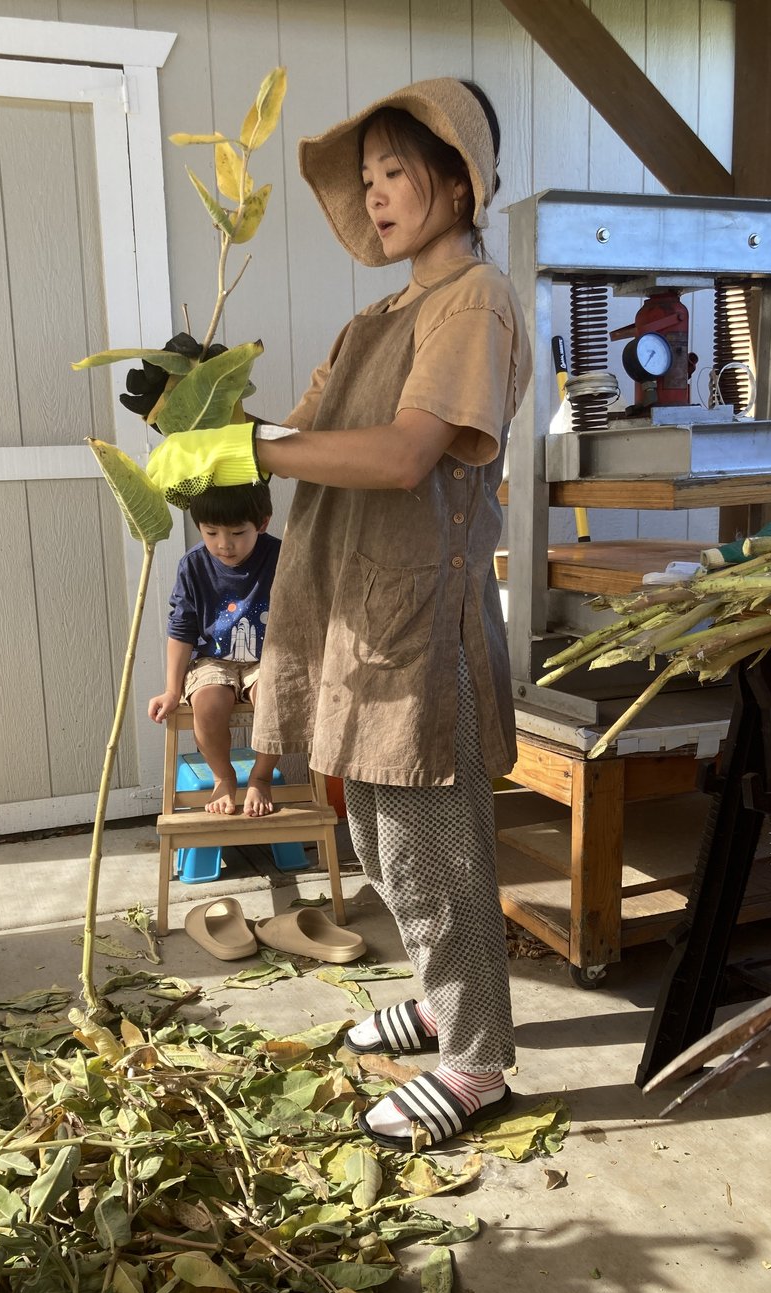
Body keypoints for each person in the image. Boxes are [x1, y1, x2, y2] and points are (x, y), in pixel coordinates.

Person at [147, 78, 531, 1151]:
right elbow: (304, 432)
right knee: (372, 831)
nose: (374, 196)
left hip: (418, 627)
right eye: (365, 181)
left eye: (395, 172)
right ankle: (441, 994)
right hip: (356, 618)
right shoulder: (381, 313)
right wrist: (203, 411)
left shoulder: (474, 301)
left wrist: (253, 446)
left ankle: (476, 1061)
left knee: (432, 849)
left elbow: (408, 453)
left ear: (460, 180)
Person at [148, 481, 280, 818]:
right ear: (199, 527)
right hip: (211, 659)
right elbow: (181, 629)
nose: (224, 544)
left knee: (277, 697)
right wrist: (170, 690)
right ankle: (224, 776)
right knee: (208, 705)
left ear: (262, 523)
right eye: (211, 533)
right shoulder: (193, 566)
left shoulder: (281, 556)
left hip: (268, 656)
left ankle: (260, 776)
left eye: (237, 532)